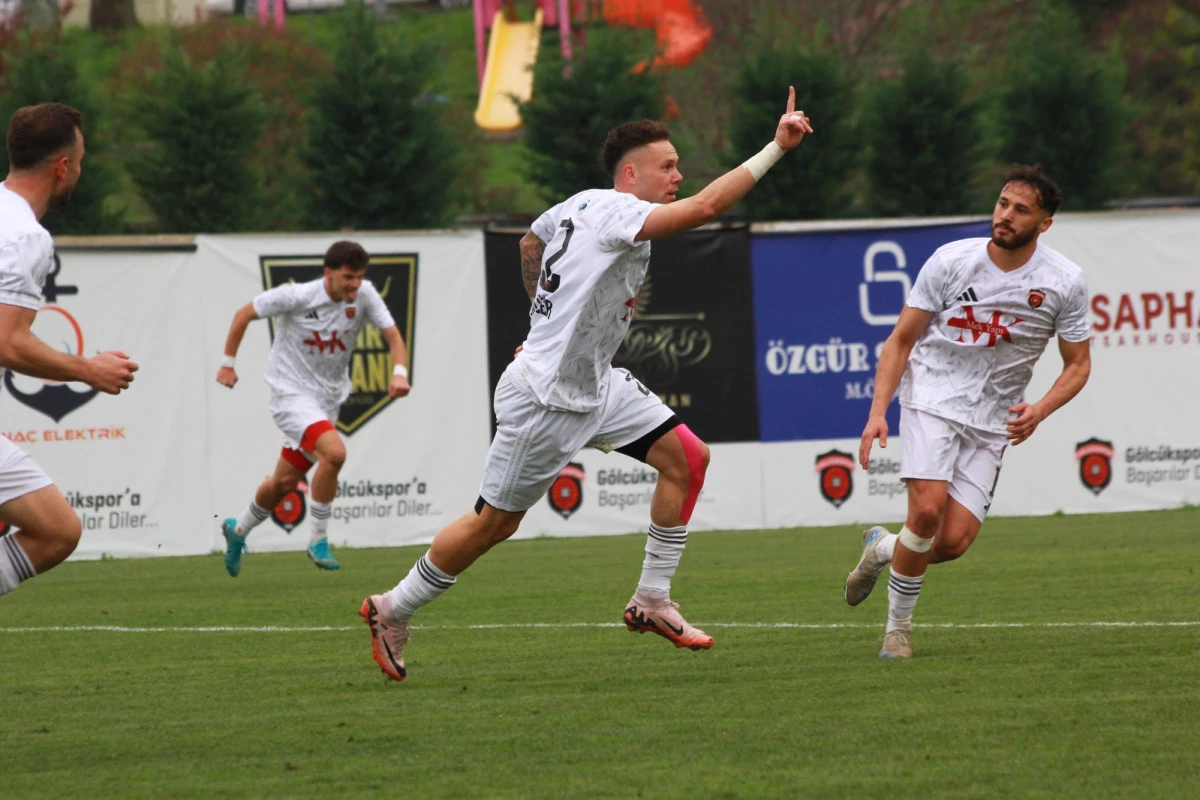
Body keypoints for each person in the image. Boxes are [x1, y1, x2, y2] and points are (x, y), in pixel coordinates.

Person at [358, 88, 814, 682]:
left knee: (689, 458)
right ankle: (392, 608)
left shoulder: (578, 204)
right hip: (546, 399)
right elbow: (704, 211)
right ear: (631, 174)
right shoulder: (620, 210)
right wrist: (775, 149)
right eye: (667, 166)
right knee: (493, 524)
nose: (678, 174)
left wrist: (540, 323)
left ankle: (651, 600)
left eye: (678, 165)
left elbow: (531, 242)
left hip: (594, 384)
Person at [847, 164, 1092, 659]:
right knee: (928, 512)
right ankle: (899, 631)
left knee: (952, 542)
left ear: (1044, 224)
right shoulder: (950, 260)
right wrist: (878, 412)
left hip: (993, 418)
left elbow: (1078, 365)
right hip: (932, 397)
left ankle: (882, 549)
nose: (1005, 215)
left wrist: (1040, 409)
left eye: (1021, 210)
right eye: (1003, 203)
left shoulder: (1065, 281)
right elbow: (899, 341)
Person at [0, 103, 138, 597]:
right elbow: (7, 342)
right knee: (57, 532)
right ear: (63, 166)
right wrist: (89, 370)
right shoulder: (24, 237)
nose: (80, 169)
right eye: (80, 159)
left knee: (58, 528)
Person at [216, 240, 410, 575]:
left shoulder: (365, 294)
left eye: (359, 276)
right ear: (328, 273)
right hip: (289, 394)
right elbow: (243, 314)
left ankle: (238, 531)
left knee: (283, 483)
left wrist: (399, 372)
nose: (354, 284)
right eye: (348, 276)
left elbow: (392, 335)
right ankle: (318, 538)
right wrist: (227, 363)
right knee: (334, 454)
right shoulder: (297, 296)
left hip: (326, 401)